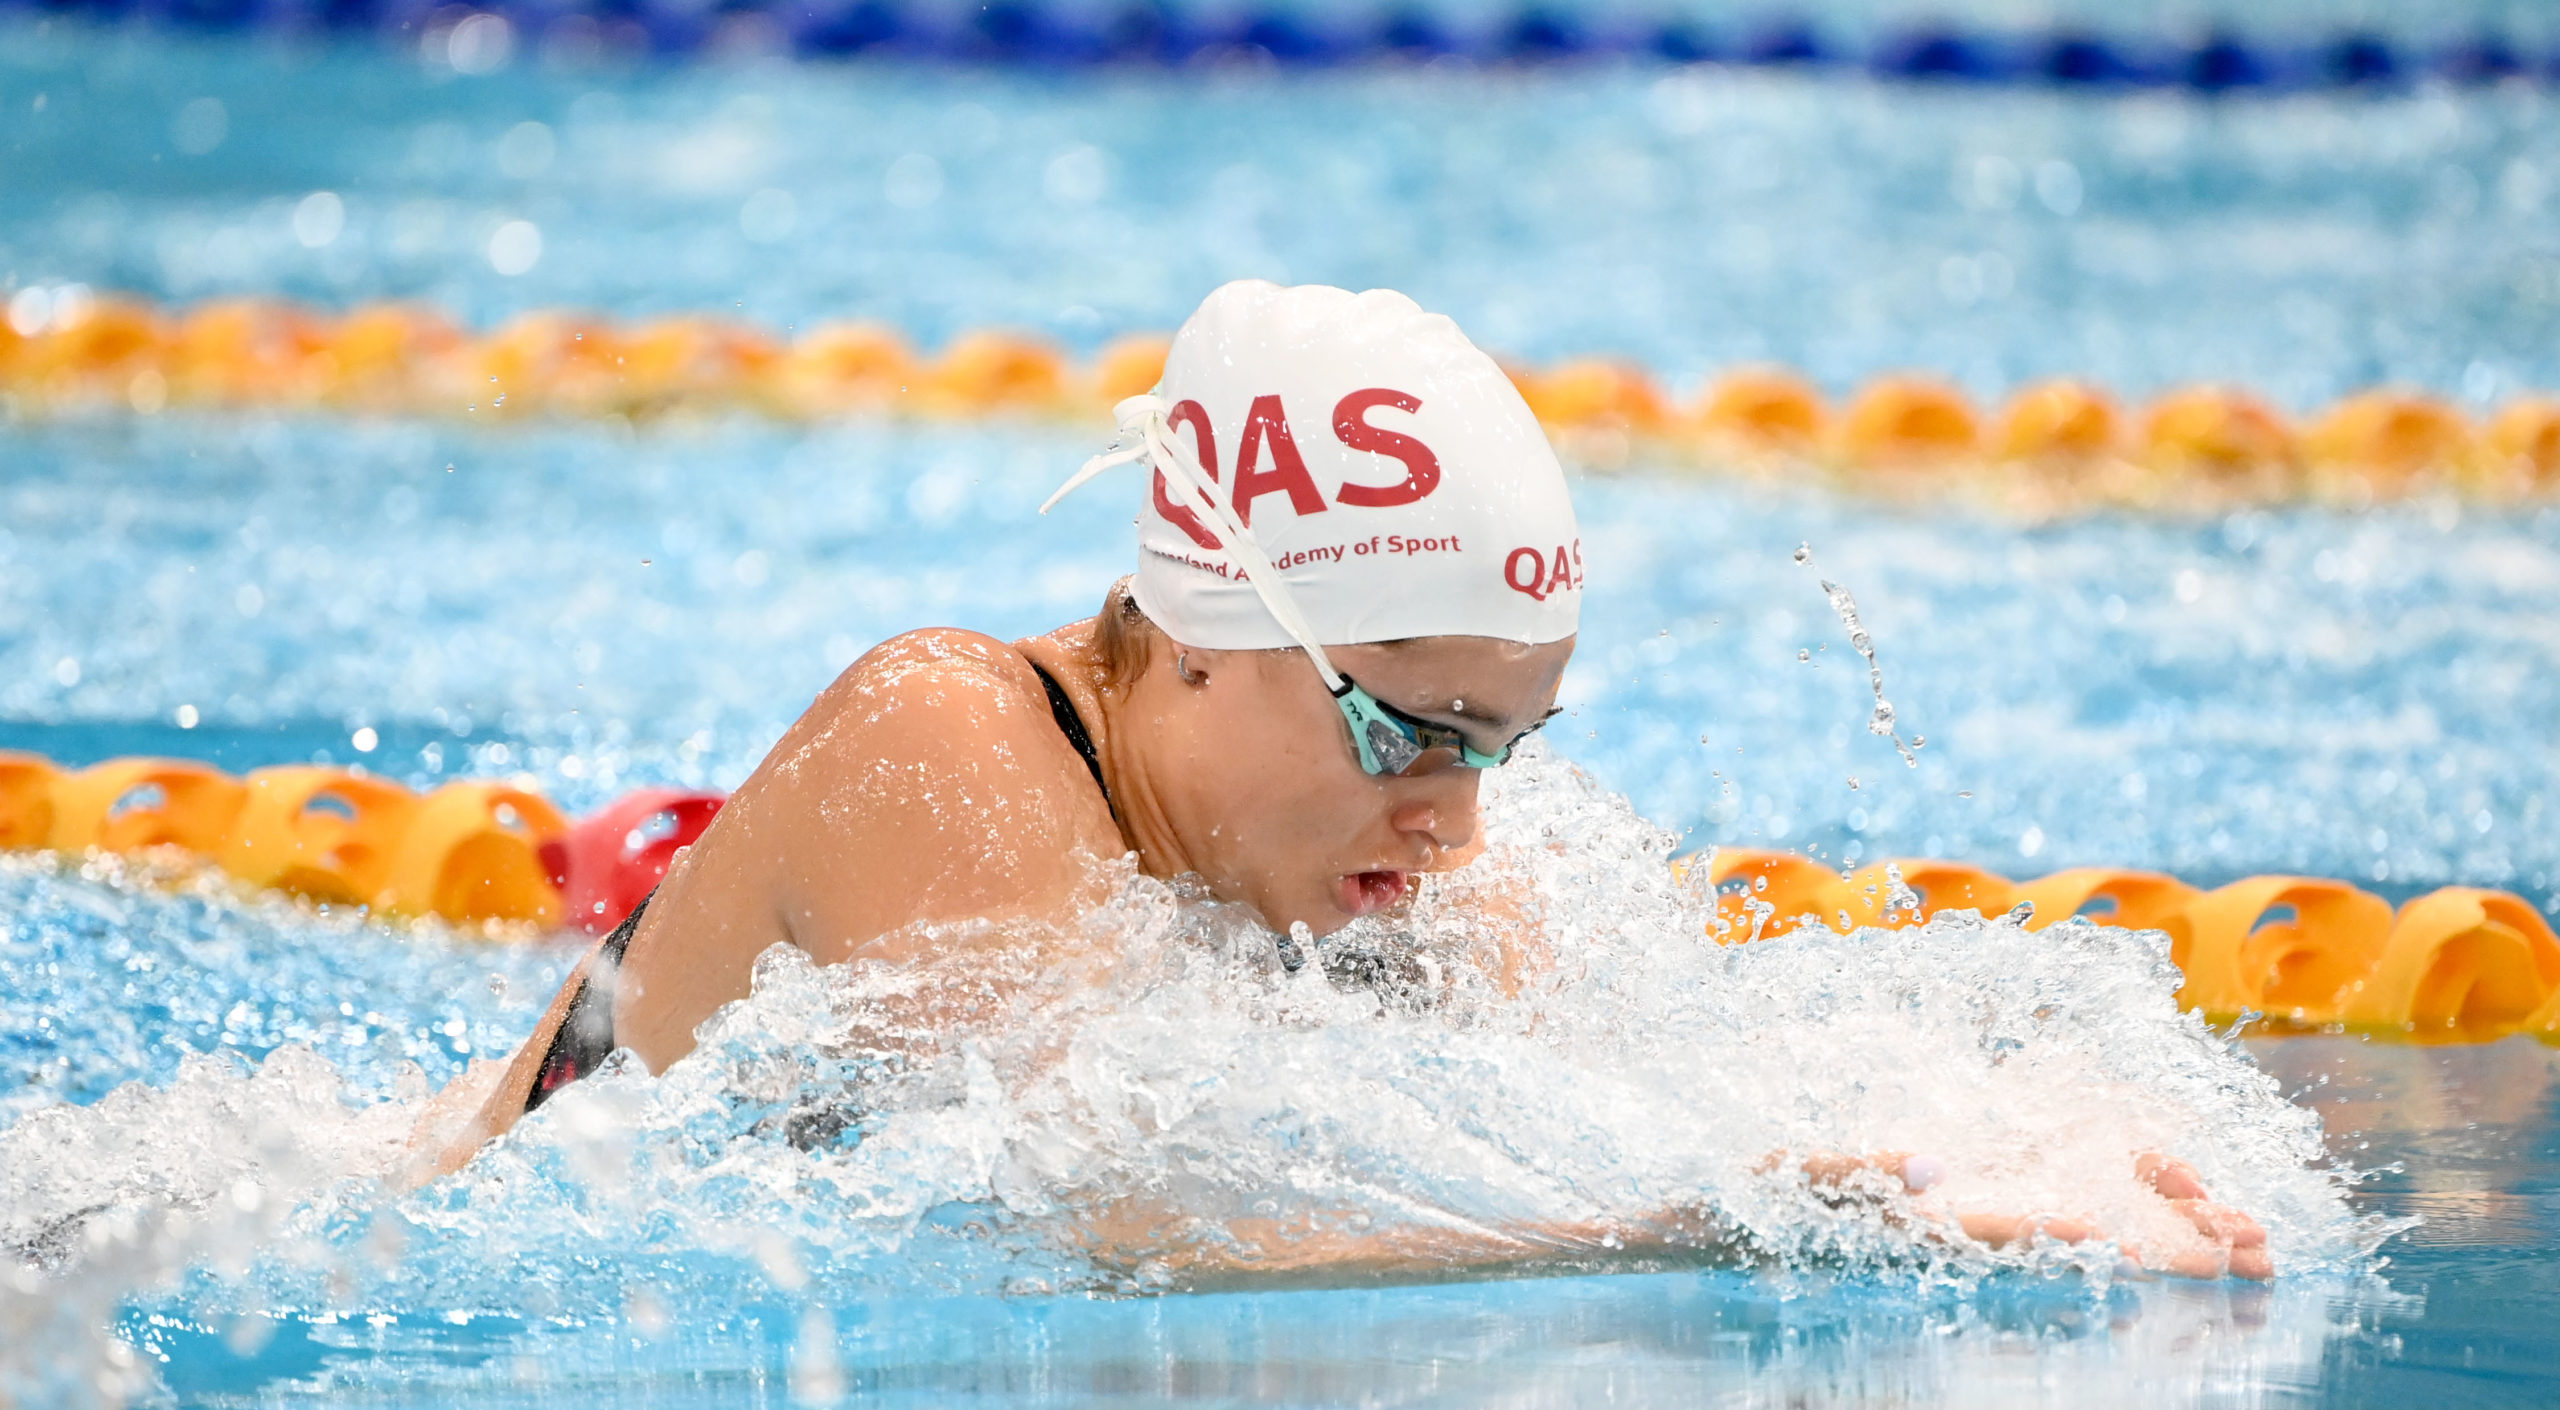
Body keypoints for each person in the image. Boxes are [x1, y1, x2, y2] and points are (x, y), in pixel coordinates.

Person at [430, 279, 2267, 1281]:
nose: (1458, 823)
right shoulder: (950, 741)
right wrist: (1728, 1226)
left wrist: (1985, 1149)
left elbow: (1632, 1099)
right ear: (1205, 632)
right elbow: (1130, 1231)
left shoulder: (1388, 860)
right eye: (1405, 731)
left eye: (1504, 744)